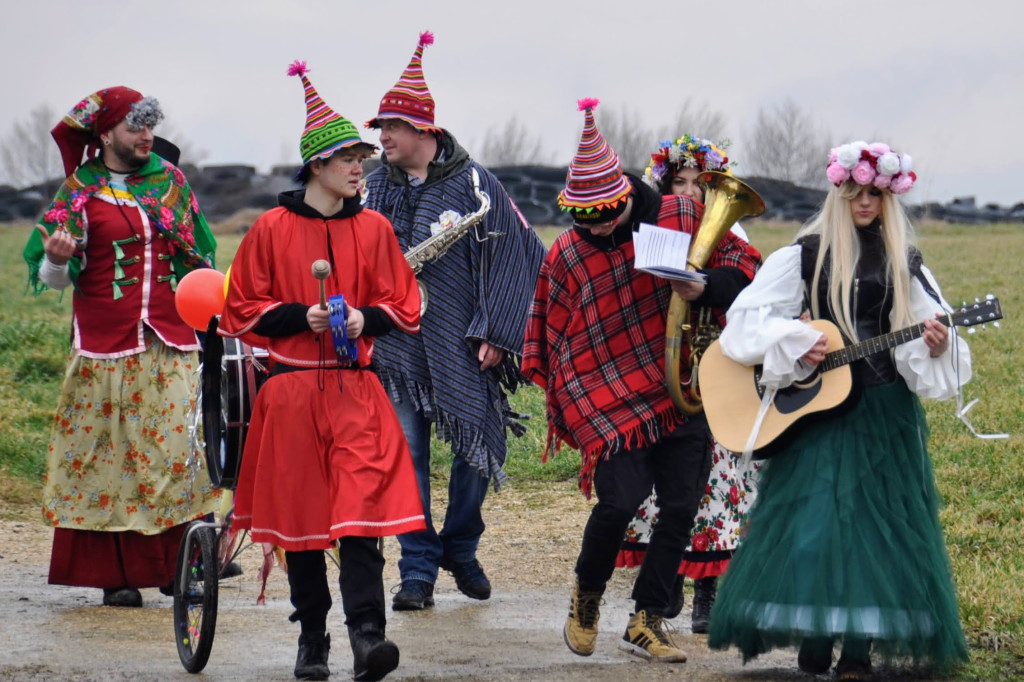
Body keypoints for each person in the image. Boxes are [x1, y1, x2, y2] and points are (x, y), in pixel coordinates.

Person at [707, 141, 971, 681]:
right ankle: (816, 634)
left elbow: (931, 323)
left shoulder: (904, 259)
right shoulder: (805, 253)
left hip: (883, 409)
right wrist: (794, 338)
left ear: (887, 196)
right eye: (854, 191)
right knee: (816, 521)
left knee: (876, 528)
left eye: (875, 192)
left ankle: (858, 647)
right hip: (819, 411)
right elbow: (747, 321)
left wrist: (939, 344)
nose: (864, 201)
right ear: (839, 190)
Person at [522, 99, 761, 663]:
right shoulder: (568, 251)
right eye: (586, 221)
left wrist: (708, 285)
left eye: (606, 217)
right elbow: (552, 328)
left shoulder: (680, 213)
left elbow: (748, 267)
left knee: (680, 508)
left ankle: (648, 620)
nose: (598, 228)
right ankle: (587, 596)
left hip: (686, 387)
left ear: (625, 197)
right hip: (608, 396)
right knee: (618, 502)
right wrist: (568, 389)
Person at [217, 62, 425, 681]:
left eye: (362, 157)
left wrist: (366, 318)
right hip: (288, 392)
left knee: (361, 518)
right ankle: (312, 639)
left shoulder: (376, 227)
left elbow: (405, 302)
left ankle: (368, 636)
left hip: (356, 390)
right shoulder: (270, 229)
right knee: (304, 527)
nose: (360, 166)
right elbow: (240, 309)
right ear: (316, 167)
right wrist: (296, 317)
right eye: (347, 158)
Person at [361, 30, 546, 611]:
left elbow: (517, 254)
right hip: (395, 349)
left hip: (466, 346)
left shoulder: (475, 184)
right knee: (407, 455)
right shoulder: (369, 190)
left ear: (424, 132)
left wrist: (496, 331)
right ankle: (416, 570)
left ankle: (461, 546)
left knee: (473, 450)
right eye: (380, 128)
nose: (382, 137)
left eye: (391, 127)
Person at [23, 87, 220, 609]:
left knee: (175, 454)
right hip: (103, 348)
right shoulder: (79, 192)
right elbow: (54, 278)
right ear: (106, 134)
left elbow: (197, 257)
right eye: (135, 127)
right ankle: (116, 575)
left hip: (169, 342)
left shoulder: (170, 181)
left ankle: (179, 568)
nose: (146, 136)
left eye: (150, 126)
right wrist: (59, 260)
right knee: (107, 459)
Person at [614, 135, 760, 633]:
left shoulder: (732, 240)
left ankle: (709, 592)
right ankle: (668, 577)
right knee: (665, 487)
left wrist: (708, 287)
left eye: (702, 185)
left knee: (718, 482)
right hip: (662, 371)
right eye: (681, 182)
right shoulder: (652, 230)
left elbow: (750, 284)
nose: (693, 194)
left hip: (718, 371)